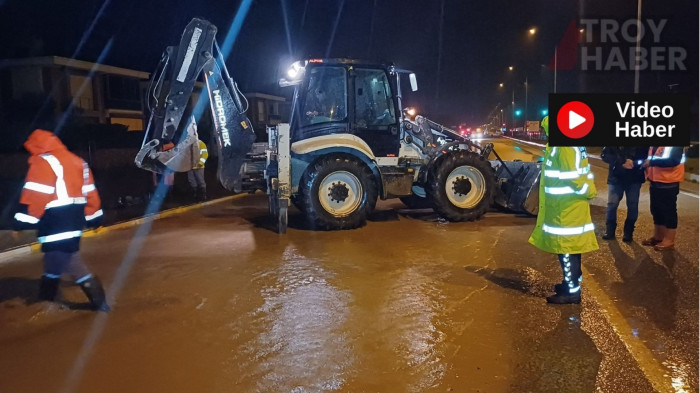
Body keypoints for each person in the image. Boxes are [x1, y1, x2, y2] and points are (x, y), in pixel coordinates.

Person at [13, 129, 109, 311]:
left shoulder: (43, 162)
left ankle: (99, 304)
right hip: (74, 219)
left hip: (55, 219)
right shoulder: (78, 161)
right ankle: (45, 301)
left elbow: (36, 195)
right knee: (54, 261)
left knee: (70, 261)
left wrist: (22, 222)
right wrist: (94, 217)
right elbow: (90, 193)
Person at [529, 116, 598, 304]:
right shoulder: (561, 144)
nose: (545, 133)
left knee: (566, 249)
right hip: (564, 206)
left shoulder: (564, 146)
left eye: (546, 129)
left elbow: (573, 176)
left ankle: (572, 292)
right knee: (569, 248)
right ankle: (570, 283)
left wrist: (588, 191)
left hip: (567, 207)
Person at [600, 146, 648, 242]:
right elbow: (605, 155)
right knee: (612, 204)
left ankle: (628, 232)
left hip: (634, 178)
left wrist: (634, 163)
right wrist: (620, 162)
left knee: (632, 205)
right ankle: (610, 230)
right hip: (616, 177)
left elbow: (646, 156)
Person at [642, 146, 685, 251]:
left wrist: (651, 163)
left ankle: (669, 240)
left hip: (669, 182)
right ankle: (658, 237)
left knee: (669, 211)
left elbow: (674, 160)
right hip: (655, 181)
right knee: (656, 210)